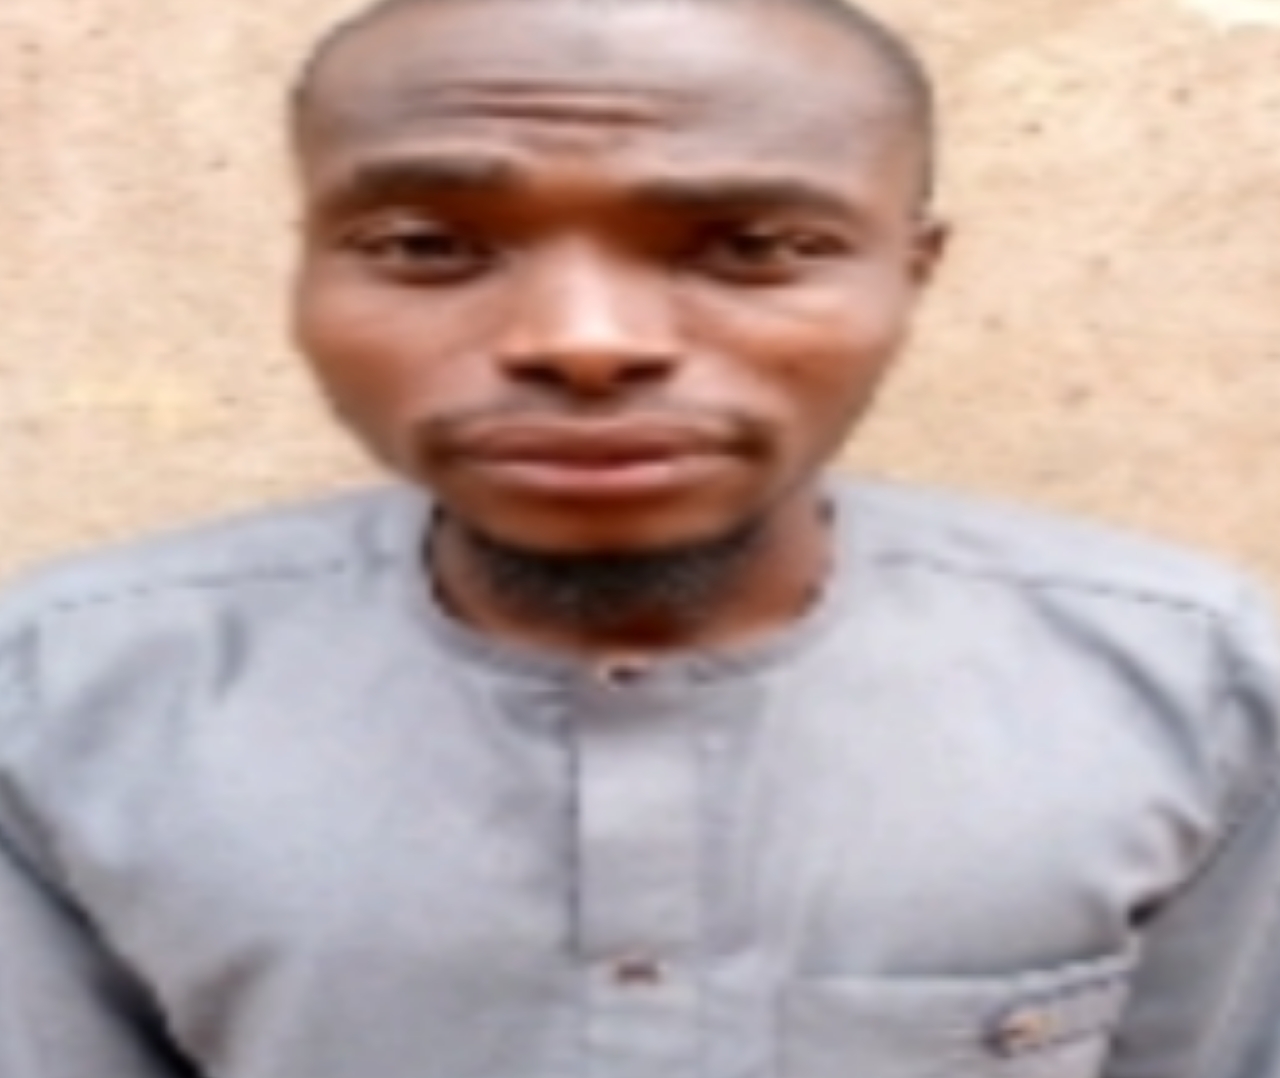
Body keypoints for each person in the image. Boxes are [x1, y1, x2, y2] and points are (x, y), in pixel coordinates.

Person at [2, 0, 1279, 1074]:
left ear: (910, 273)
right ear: (309, 267)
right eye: (426, 245)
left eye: (754, 248)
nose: (584, 339)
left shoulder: (1197, 690)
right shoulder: (56, 697)